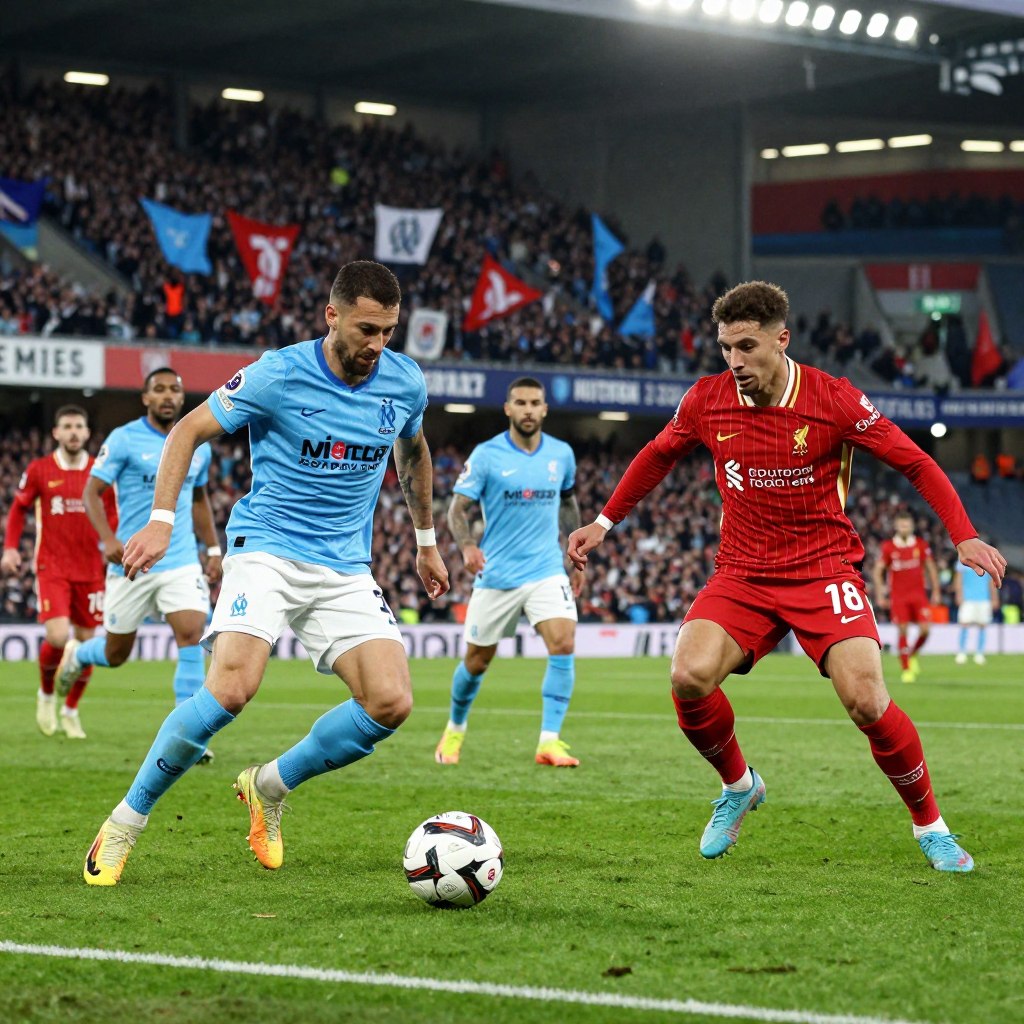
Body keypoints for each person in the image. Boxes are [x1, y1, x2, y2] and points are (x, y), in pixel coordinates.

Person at [568, 280, 1006, 874]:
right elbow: (658, 452)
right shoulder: (707, 398)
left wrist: (963, 533)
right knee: (688, 676)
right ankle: (738, 785)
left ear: (782, 339)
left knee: (866, 700)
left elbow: (915, 460)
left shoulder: (833, 399)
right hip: (743, 571)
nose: (734, 361)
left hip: (821, 568)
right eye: (725, 348)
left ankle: (931, 826)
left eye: (746, 346)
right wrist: (603, 521)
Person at [81, 260, 449, 886]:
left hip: (344, 564)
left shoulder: (404, 382)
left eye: (388, 331)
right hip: (267, 550)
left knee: (391, 702)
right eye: (366, 329)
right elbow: (189, 429)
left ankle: (269, 786)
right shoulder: (279, 373)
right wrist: (162, 520)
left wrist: (425, 540)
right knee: (230, 690)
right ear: (331, 316)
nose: (377, 345)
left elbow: (412, 450)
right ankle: (123, 824)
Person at [55, 369, 222, 729]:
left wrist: (212, 550)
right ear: (145, 398)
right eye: (158, 390)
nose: (167, 396)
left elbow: (197, 499)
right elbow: (91, 493)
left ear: (181, 397)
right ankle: (79, 654)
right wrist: (108, 540)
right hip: (131, 561)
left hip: (180, 559)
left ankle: (185, 732)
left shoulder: (198, 442)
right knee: (115, 654)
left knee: (192, 634)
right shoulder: (124, 439)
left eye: (174, 390)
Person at [435, 377, 582, 768]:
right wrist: (467, 545)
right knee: (477, 661)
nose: (529, 409)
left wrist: (577, 553)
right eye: (521, 402)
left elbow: (568, 503)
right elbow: (456, 510)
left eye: (535, 402)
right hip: (497, 573)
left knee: (563, 643)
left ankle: (549, 741)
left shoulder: (561, 454)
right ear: (508, 409)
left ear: (545, 409)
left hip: (546, 568)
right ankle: (455, 728)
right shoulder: (486, 455)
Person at [1, 406, 117, 739]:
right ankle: (47, 694)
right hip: (52, 566)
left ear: (86, 432)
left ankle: (71, 710)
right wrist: (10, 547)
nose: (73, 432)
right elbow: (19, 508)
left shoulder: (101, 472)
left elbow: (112, 514)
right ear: (56, 433)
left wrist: (113, 544)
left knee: (84, 644)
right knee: (56, 636)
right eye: (67, 426)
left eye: (79, 426)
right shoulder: (39, 470)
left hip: (92, 569)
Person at [872, 512, 941, 683]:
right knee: (902, 630)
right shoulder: (888, 547)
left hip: (919, 595)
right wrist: (880, 593)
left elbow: (931, 568)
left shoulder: (920, 545)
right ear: (896, 526)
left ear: (912, 526)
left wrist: (936, 591)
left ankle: (912, 654)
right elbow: (877, 571)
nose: (904, 528)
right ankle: (906, 669)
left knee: (925, 630)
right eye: (901, 525)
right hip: (899, 597)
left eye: (907, 525)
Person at [954, 559, 999, 665]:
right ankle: (962, 652)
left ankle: (979, 653)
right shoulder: (963, 559)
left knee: (983, 625)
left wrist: (994, 598)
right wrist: (958, 595)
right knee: (964, 624)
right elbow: (958, 579)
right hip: (967, 599)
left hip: (984, 599)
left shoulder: (987, 560)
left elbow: (991, 581)